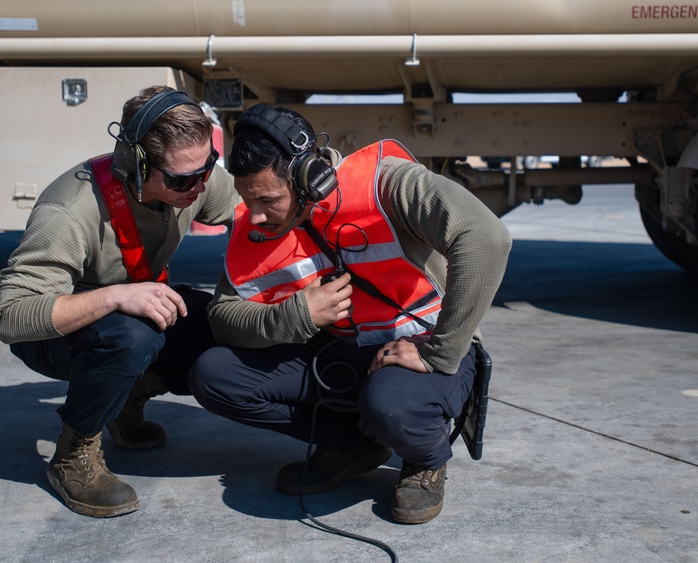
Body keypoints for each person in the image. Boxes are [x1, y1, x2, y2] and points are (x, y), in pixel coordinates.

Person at [188, 104, 511, 524]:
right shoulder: (257, 221)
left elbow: (486, 236)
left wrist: (439, 351)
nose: (258, 215)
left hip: (417, 348)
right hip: (339, 352)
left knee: (391, 406)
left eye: (268, 199)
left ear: (310, 178)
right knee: (214, 375)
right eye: (249, 200)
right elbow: (223, 316)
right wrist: (296, 316)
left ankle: (425, 459)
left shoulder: (388, 184)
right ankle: (349, 445)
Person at [0, 86, 238, 518]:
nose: (200, 186)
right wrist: (114, 295)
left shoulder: (194, 175)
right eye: (183, 179)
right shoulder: (69, 209)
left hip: (132, 311)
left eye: (208, 168)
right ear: (137, 166)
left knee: (225, 322)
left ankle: (126, 398)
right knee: (130, 337)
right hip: (59, 332)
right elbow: (12, 317)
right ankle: (74, 455)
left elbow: (249, 212)